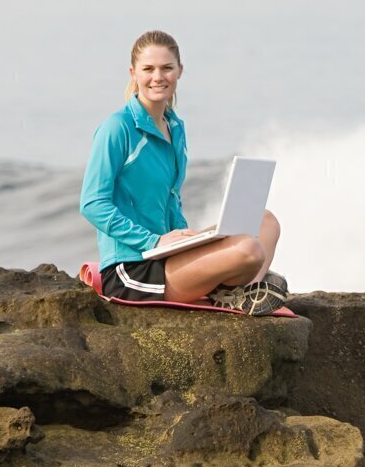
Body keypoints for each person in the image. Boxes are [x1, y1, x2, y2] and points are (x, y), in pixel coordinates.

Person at [80, 30, 287, 315]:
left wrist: (187, 239)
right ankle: (240, 288)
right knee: (248, 250)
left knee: (265, 221)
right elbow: (92, 204)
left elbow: (172, 200)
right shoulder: (117, 128)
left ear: (180, 71)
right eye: (148, 69)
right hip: (134, 268)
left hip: (169, 253)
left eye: (167, 68)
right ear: (133, 73)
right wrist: (153, 241)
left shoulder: (175, 127)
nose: (158, 77)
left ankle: (240, 289)